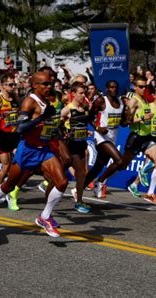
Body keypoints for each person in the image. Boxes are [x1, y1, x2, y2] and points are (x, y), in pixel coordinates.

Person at [0, 71, 68, 238]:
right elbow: (21, 128)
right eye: (46, 84)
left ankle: (44, 217)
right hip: (28, 150)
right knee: (9, 185)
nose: (50, 86)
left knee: (62, 182)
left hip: (45, 149)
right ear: (35, 85)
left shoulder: (46, 100)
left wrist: (58, 133)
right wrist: (42, 117)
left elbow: (47, 124)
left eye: (51, 83)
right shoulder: (29, 102)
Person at [127, 87, 156, 201]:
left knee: (153, 163)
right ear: (154, 95)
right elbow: (138, 119)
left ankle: (134, 185)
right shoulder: (150, 107)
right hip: (149, 137)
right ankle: (149, 193)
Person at [82, 80, 126, 199]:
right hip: (101, 137)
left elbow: (123, 123)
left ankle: (78, 189)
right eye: (111, 87)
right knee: (120, 161)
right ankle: (100, 182)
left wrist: (131, 118)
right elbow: (89, 117)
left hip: (112, 138)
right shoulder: (101, 100)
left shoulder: (121, 103)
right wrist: (98, 127)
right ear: (107, 89)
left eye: (116, 87)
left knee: (98, 167)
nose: (114, 89)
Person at [61, 82, 92, 213]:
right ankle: (49, 194)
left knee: (81, 174)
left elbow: (83, 125)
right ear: (73, 94)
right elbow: (58, 123)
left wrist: (86, 132)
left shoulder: (84, 108)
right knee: (60, 175)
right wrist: (64, 133)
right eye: (81, 93)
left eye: (84, 93)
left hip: (81, 144)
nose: (83, 95)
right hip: (70, 146)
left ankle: (79, 201)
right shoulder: (67, 109)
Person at [0, 74, 20, 185]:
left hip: (15, 135)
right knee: (6, 166)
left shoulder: (16, 98)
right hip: (3, 135)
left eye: (14, 84)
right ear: (3, 86)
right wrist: (1, 117)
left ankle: (12, 184)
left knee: (20, 160)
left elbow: (22, 112)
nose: (13, 87)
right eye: (10, 85)